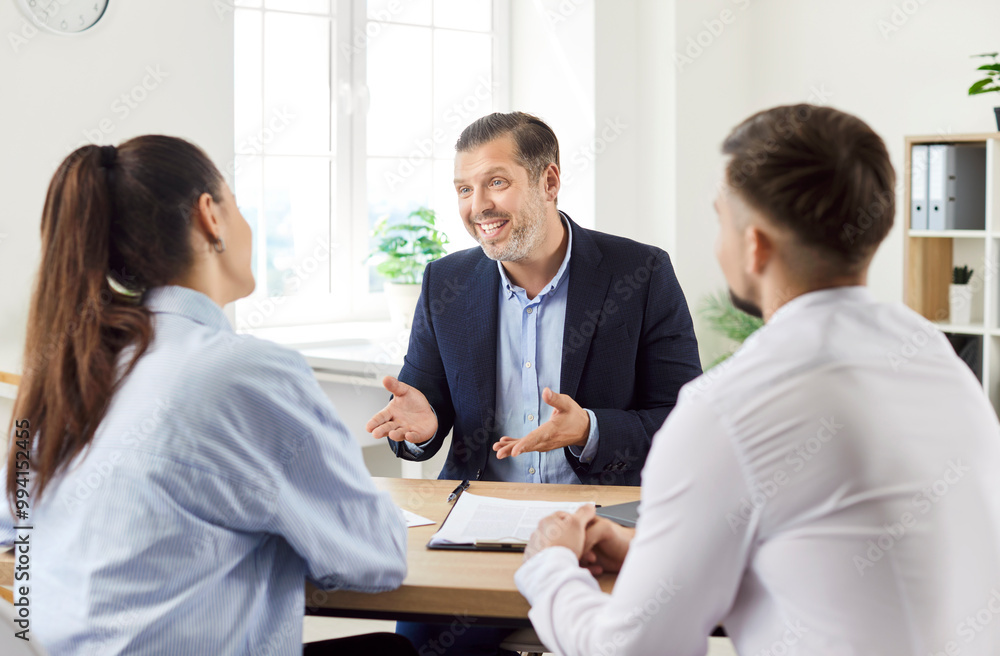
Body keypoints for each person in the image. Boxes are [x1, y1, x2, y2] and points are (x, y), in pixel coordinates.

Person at [516, 105, 1000, 655]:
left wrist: (550, 564)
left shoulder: (730, 408)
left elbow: (632, 649)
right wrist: (651, 550)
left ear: (755, 244)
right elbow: (834, 551)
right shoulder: (936, 359)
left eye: (721, 218)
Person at [0, 137, 417, 656]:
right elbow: (375, 556)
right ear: (209, 217)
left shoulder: (74, 372)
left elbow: (11, 525)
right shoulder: (247, 372)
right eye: (237, 204)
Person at [365, 112, 702, 654]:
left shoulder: (640, 273)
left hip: (601, 530)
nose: (478, 207)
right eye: (464, 189)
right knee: (424, 641)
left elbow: (684, 424)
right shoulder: (445, 282)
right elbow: (419, 410)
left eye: (496, 182)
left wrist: (589, 429)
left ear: (549, 181)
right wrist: (420, 429)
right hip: (478, 530)